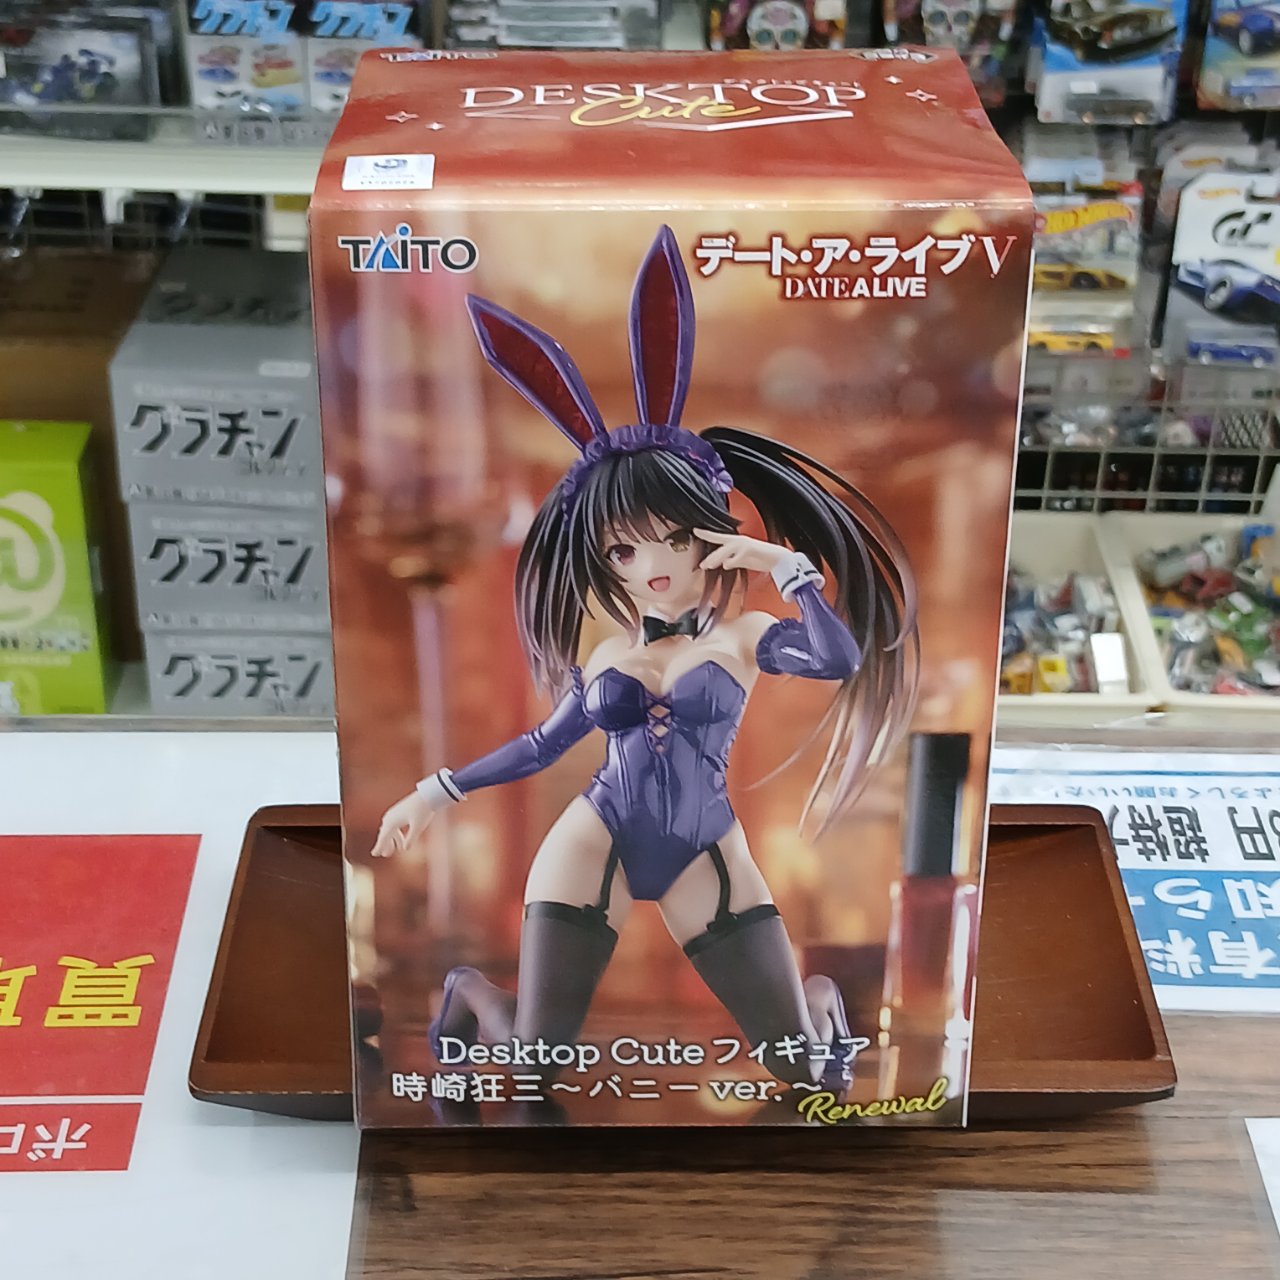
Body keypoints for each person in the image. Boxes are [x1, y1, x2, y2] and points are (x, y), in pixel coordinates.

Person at [372, 226, 919, 1087]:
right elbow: (543, 747)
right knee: (536, 1068)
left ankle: (812, 999)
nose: (652, 564)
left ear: (710, 531)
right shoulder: (603, 656)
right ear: (603, 560)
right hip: (595, 840)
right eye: (624, 550)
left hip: (708, 850)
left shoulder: (745, 637)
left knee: (804, 1072)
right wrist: (433, 792)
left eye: (673, 537)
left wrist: (790, 572)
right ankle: (471, 992)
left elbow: (838, 660)